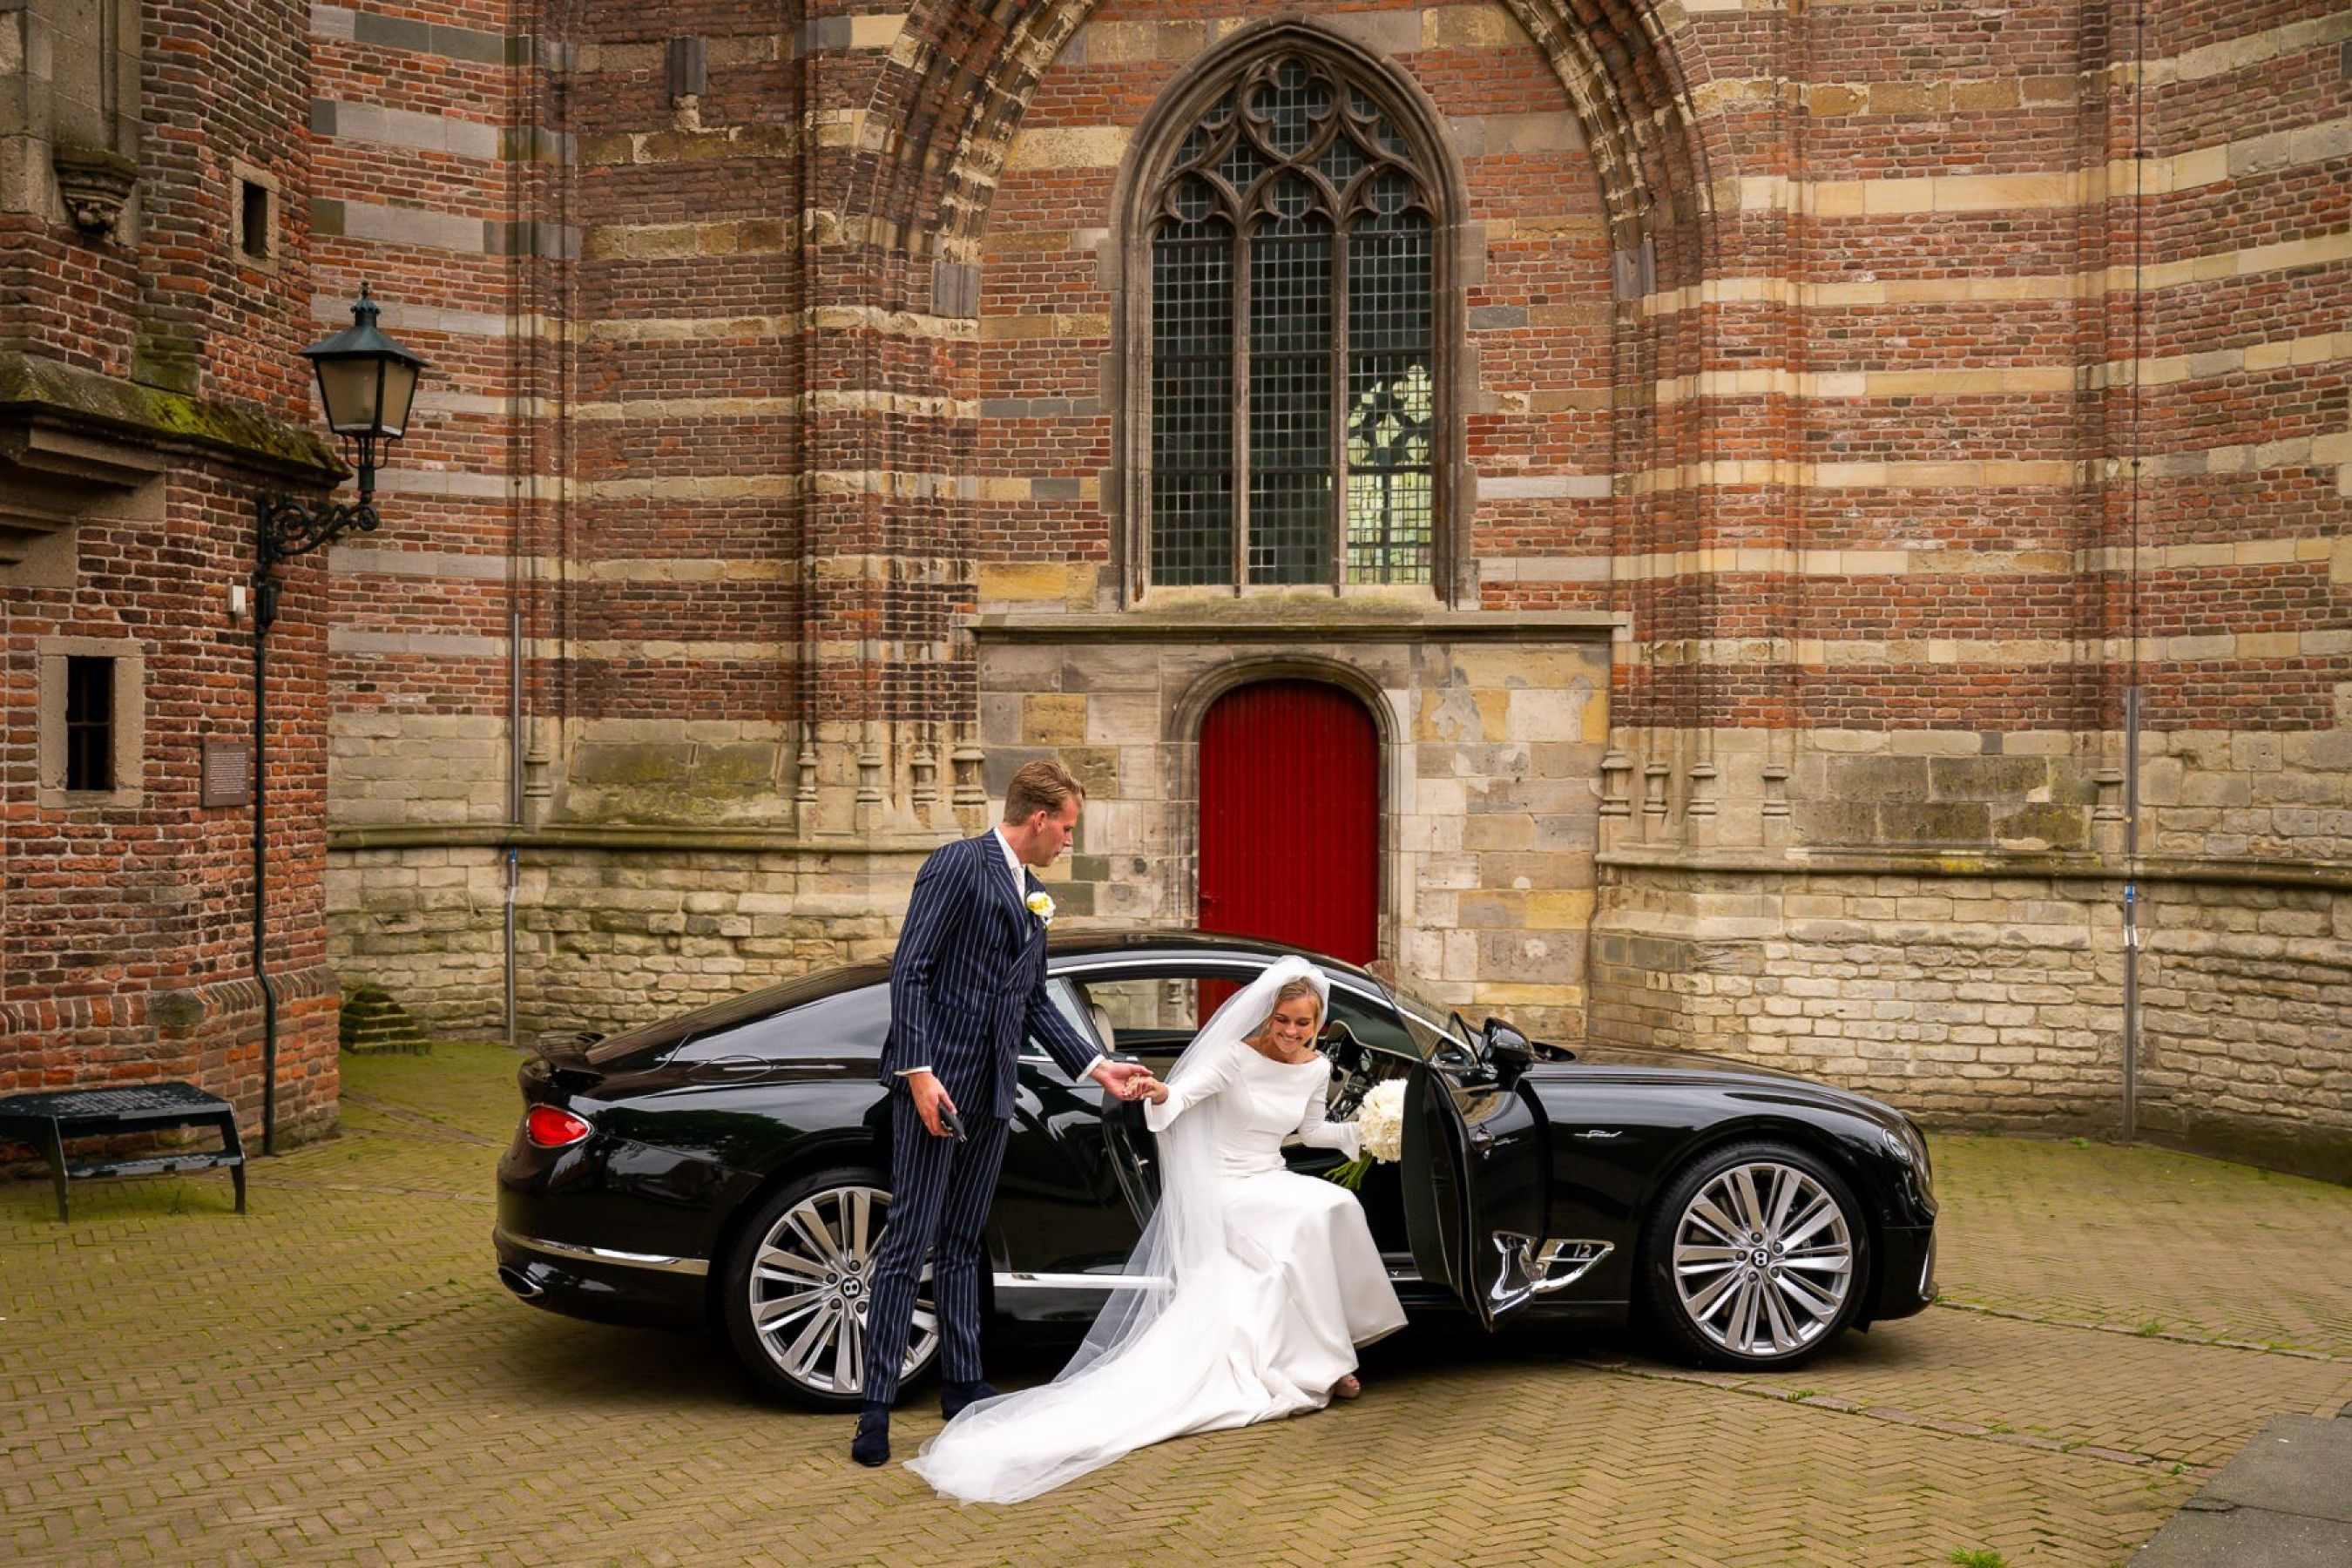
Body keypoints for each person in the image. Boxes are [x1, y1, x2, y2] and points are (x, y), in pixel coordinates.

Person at [906, 956, 1407, 1504]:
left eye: (1302, 1024)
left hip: (1269, 1177)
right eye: (1283, 1021)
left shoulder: (1315, 1069)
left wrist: (1371, 1131)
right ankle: (1330, 1364)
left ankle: (1330, 1356)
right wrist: (1159, 1092)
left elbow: (1310, 1132)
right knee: (1312, 1216)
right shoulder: (1236, 1059)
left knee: (1336, 1204)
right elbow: (1183, 1095)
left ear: (1319, 1025)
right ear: (1268, 1017)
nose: (1291, 1032)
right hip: (1226, 1185)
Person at [855, 759, 1158, 1467]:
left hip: (992, 1092)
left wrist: (1095, 1066)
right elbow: (913, 969)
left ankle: (962, 1387)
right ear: (1039, 817)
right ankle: (874, 1410)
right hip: (939, 1088)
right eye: (1069, 829)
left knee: (962, 1242)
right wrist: (920, 1075)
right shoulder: (958, 865)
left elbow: (1030, 1003)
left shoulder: (1035, 895)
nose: (1068, 844)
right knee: (908, 1244)